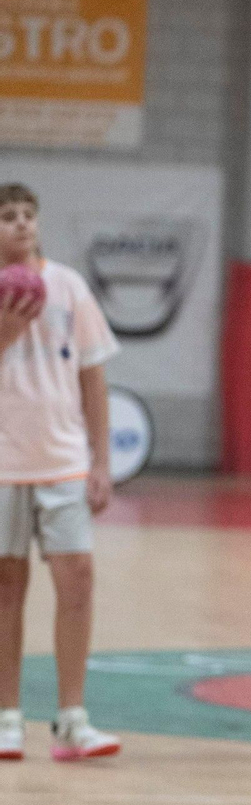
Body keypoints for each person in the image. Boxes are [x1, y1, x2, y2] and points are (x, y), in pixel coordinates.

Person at [0, 182, 121, 763]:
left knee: (78, 583)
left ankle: (72, 719)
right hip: (2, 467)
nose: (21, 225)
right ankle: (7, 718)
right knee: (6, 591)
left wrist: (101, 461)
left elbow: (94, 378)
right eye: (7, 217)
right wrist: (7, 331)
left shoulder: (69, 287)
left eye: (28, 215)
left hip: (64, 462)